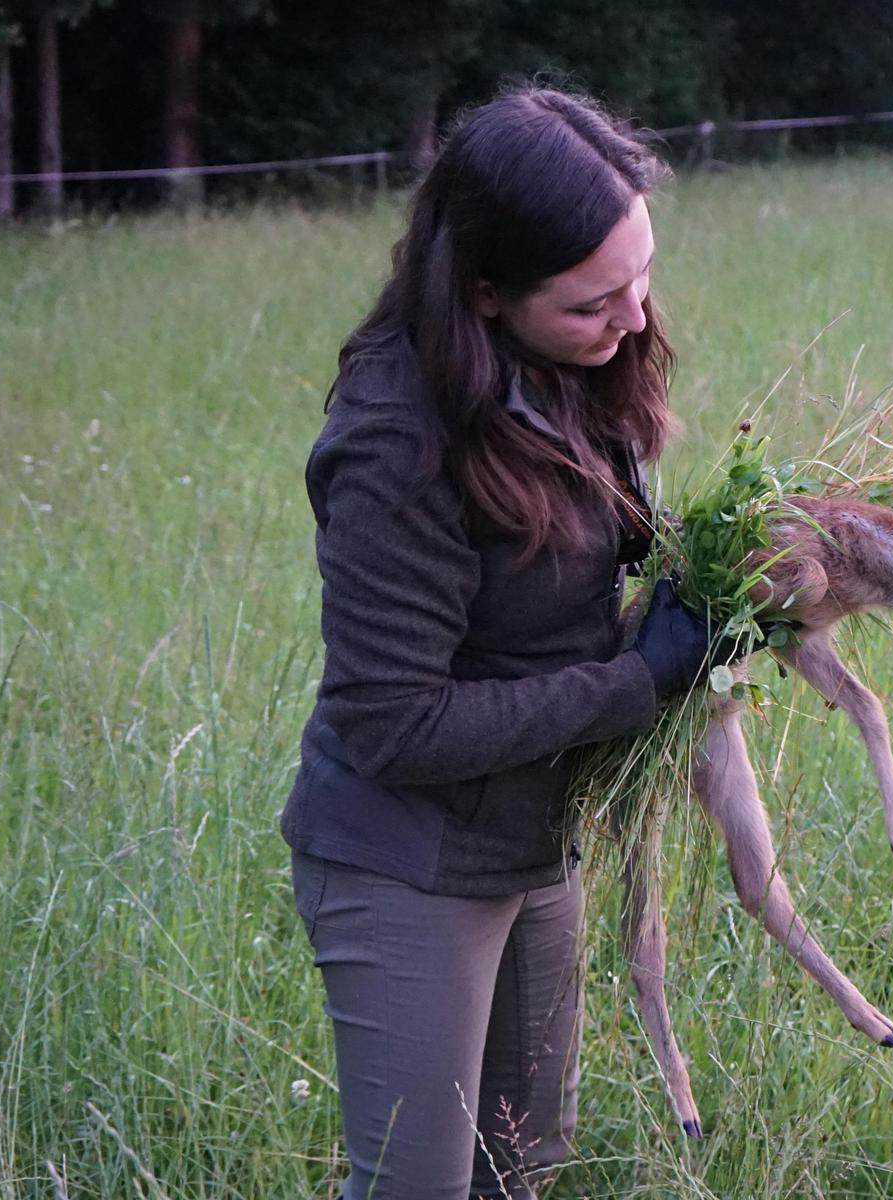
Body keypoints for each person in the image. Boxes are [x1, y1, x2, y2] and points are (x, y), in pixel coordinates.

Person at [281, 85, 730, 1199]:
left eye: (641, 277)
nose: (633, 318)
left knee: (519, 1169)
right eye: (594, 302)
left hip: (532, 838)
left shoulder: (569, 375)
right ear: (483, 292)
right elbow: (392, 723)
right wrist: (635, 682)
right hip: (409, 863)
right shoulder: (398, 442)